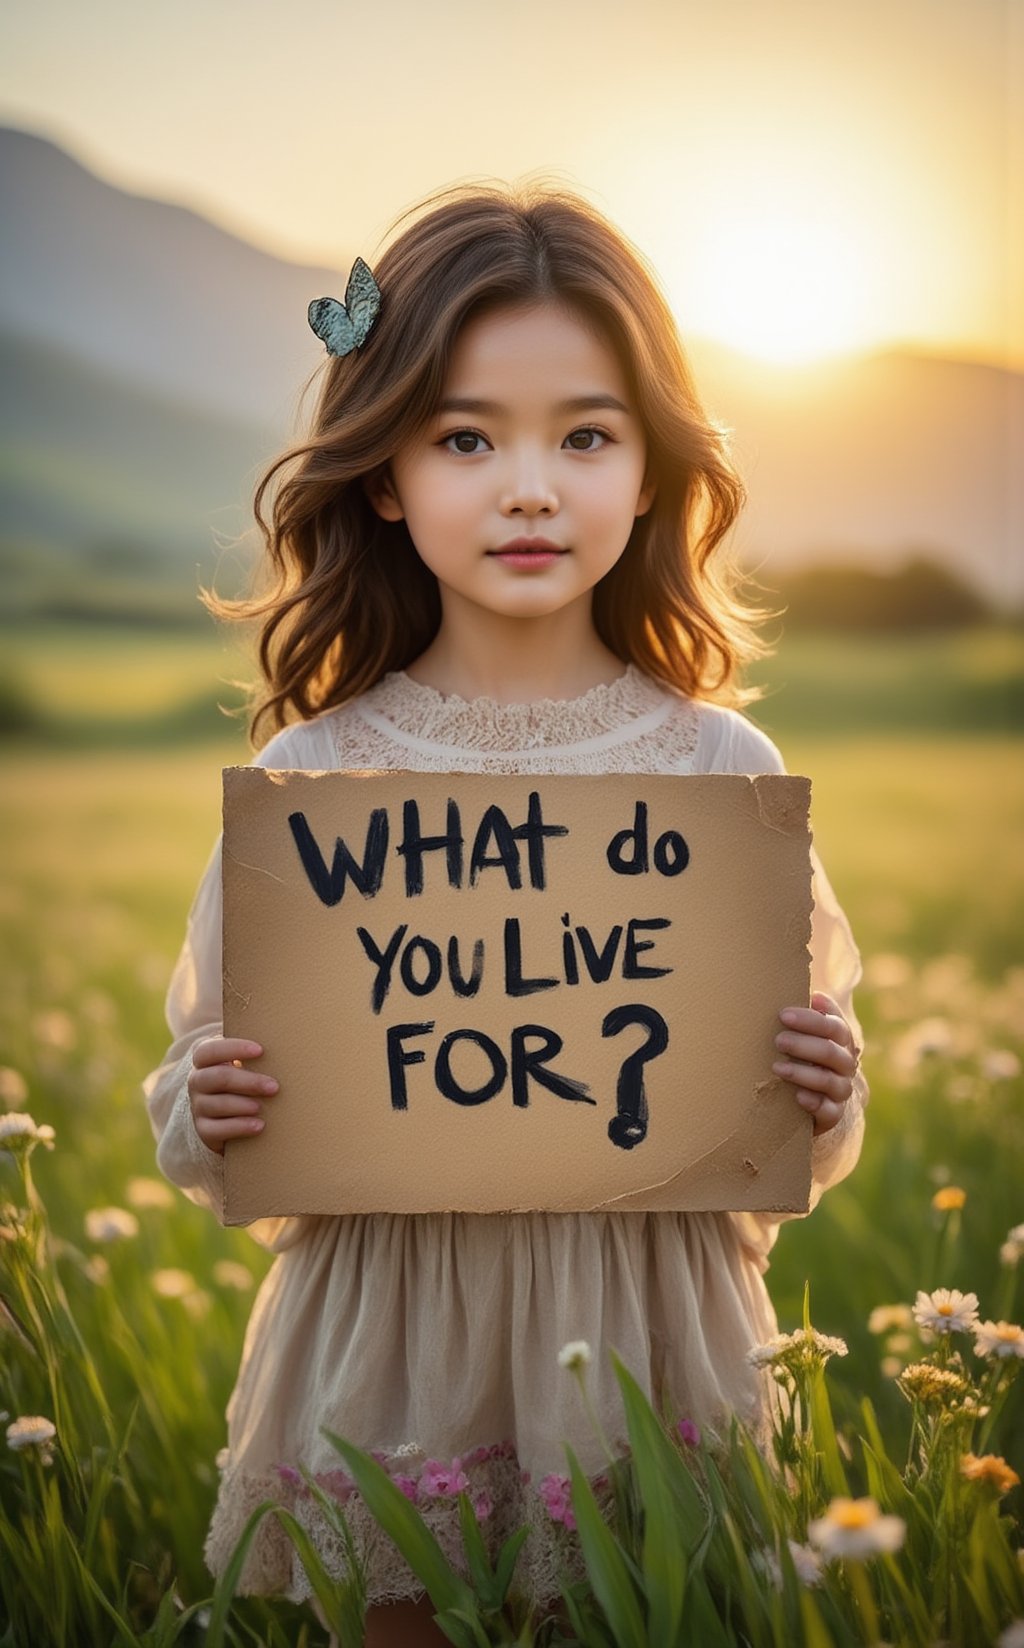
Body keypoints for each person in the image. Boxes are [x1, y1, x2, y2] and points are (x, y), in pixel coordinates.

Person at [143, 181, 867, 1646]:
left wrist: (825, 1085)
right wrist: (207, 1106)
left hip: (644, 1336)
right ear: (387, 474)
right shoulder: (318, 779)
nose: (530, 485)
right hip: (397, 1347)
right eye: (467, 438)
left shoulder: (718, 772)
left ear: (654, 470)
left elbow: (795, 1103)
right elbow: (217, 1088)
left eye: (584, 436)